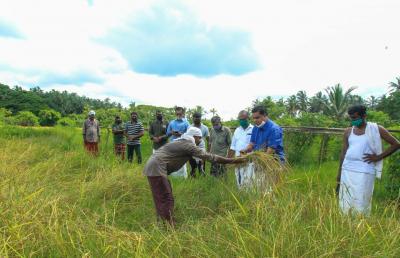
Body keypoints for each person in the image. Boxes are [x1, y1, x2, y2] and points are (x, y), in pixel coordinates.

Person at [144, 127, 246, 226]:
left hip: (154, 167)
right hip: (157, 169)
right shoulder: (188, 144)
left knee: (162, 196)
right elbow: (211, 157)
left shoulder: (181, 142)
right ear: (194, 137)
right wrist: (233, 160)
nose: (200, 140)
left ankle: (163, 221)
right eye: (199, 138)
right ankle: (168, 225)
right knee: (166, 198)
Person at [337, 105, 400, 215]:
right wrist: (339, 172)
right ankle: (345, 222)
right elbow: (343, 152)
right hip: (348, 170)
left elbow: (396, 144)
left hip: (365, 170)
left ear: (364, 116)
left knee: (361, 199)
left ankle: (360, 224)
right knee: (346, 199)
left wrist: (378, 157)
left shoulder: (376, 129)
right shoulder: (348, 131)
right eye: (351, 118)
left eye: (356, 118)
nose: (353, 121)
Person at [228, 110, 254, 188]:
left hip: (249, 159)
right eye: (240, 119)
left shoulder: (254, 129)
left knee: (249, 178)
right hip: (238, 158)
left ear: (248, 119)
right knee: (238, 176)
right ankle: (241, 193)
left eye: (244, 119)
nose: (242, 121)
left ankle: (249, 195)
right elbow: (233, 146)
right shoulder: (237, 130)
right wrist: (229, 159)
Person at [166, 107, 190, 177]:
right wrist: (172, 132)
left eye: (180, 113)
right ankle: (173, 176)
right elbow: (167, 133)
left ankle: (183, 177)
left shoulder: (186, 123)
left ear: (182, 113)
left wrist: (181, 134)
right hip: (172, 145)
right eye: (177, 113)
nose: (178, 115)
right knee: (172, 160)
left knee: (182, 161)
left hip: (182, 145)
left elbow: (189, 134)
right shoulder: (171, 122)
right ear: (175, 113)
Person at [188, 112, 209, 177]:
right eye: (195, 117)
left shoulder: (205, 127)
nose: (196, 119)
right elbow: (188, 138)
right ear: (193, 118)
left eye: (198, 117)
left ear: (200, 118)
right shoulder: (189, 127)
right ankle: (192, 179)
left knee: (202, 166)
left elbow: (208, 139)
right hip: (192, 148)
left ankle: (202, 179)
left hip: (201, 148)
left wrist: (208, 150)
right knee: (192, 166)